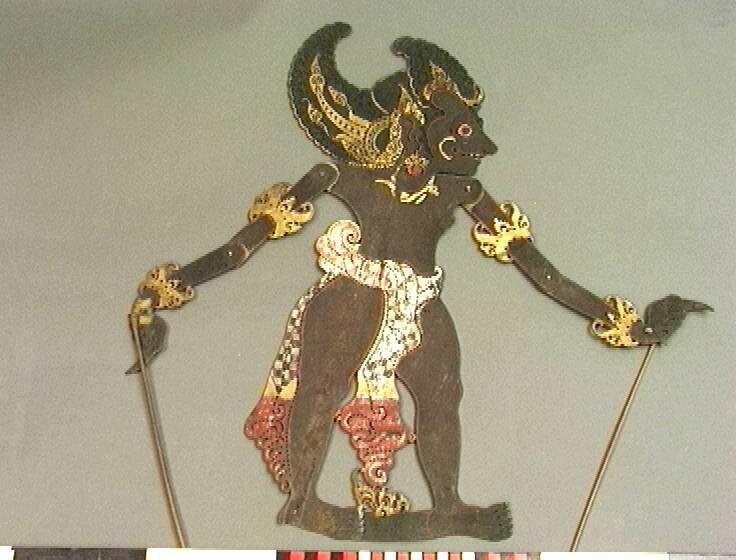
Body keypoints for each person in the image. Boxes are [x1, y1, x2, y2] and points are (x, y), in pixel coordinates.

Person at [127, 23, 709, 542]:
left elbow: (539, 269)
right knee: (321, 390)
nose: (481, 147)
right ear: (413, 124)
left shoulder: (459, 189)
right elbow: (244, 244)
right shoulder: (344, 176)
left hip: (420, 300)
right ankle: (304, 497)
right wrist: (171, 287)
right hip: (353, 294)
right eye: (463, 130)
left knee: (442, 394)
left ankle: (447, 503)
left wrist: (624, 324)